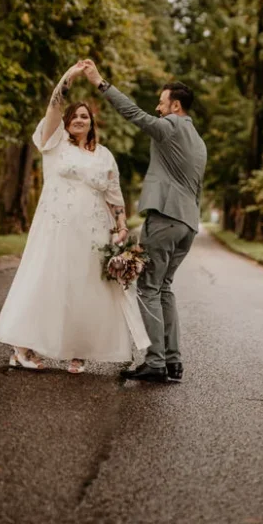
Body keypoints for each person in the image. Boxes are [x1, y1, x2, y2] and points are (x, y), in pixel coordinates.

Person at [0, 62, 150, 373]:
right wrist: (70, 76)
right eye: (75, 116)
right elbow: (54, 105)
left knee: (86, 289)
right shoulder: (54, 144)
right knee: (45, 282)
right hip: (56, 228)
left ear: (92, 124)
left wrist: (121, 227)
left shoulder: (104, 155)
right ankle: (21, 348)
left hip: (93, 233)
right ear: (66, 122)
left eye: (85, 117)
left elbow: (114, 195)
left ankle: (78, 351)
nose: (79, 119)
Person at [81, 60, 207, 384]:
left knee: (149, 288)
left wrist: (101, 83)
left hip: (165, 219)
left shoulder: (171, 126)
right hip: (188, 224)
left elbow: (134, 114)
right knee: (164, 288)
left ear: (175, 106)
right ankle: (173, 361)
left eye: (162, 103)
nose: (157, 108)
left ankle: (155, 362)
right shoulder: (198, 141)